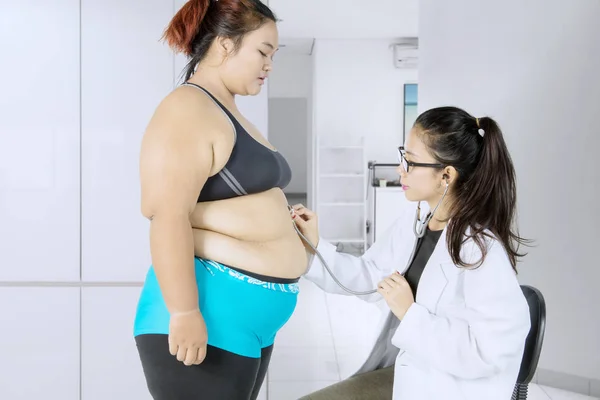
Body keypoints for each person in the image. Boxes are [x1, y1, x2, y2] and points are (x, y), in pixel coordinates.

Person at [292, 106, 532, 400]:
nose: (400, 169)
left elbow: (488, 354)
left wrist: (409, 313)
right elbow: (368, 276)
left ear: (446, 176)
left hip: (450, 389)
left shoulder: (482, 253)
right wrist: (315, 246)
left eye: (410, 161)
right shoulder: (415, 224)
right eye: (402, 156)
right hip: (410, 374)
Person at [132, 1, 307, 399]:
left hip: (243, 319)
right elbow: (166, 214)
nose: (269, 65)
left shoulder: (227, 109)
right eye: (263, 52)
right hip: (207, 314)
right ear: (225, 45)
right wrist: (184, 311)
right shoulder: (188, 107)